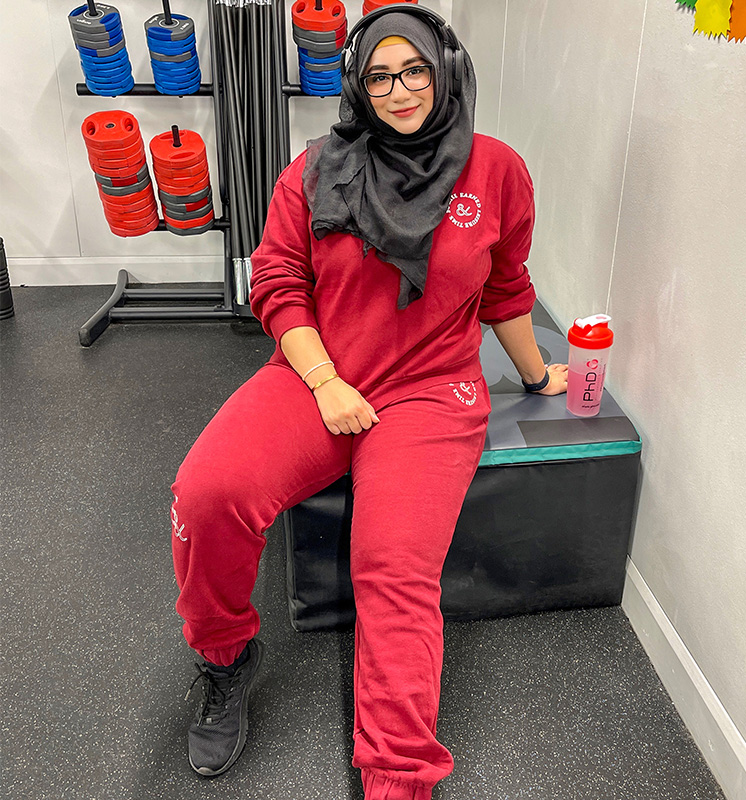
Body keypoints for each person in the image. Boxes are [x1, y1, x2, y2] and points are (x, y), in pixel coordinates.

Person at [170, 5, 568, 799]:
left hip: (430, 394)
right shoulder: (315, 168)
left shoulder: (495, 171)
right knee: (207, 493)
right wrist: (324, 380)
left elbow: (505, 287)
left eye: (414, 69)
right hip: (320, 373)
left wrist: (533, 374)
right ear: (358, 85)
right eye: (379, 76)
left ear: (444, 71)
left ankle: (398, 778)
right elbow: (278, 281)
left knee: (392, 571)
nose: (398, 90)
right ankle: (224, 655)